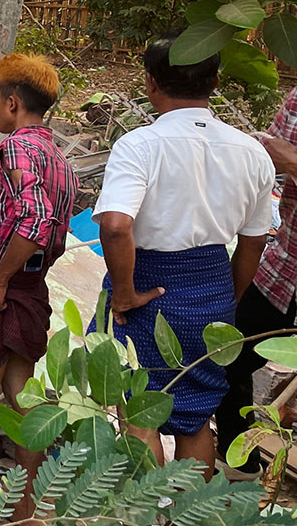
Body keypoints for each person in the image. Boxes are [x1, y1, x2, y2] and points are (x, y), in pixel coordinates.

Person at [94, 35, 273, 473]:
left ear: (151, 83)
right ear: (214, 82)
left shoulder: (140, 146)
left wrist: (124, 294)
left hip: (147, 291)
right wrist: (227, 298)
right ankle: (191, 508)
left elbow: (115, 226)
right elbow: (253, 242)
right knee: (196, 420)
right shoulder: (252, 152)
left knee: (141, 412)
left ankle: (147, 508)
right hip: (213, 289)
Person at [0, 54, 78, 526]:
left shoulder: (17, 149)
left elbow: (36, 219)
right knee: (24, 404)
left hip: (0, 289)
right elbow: (53, 227)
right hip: (32, 287)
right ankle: (27, 509)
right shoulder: (60, 159)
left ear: (12, 103)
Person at [217, 85, 296, 480]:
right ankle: (239, 466)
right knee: (230, 357)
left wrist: (292, 159)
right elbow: (266, 156)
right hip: (284, 269)